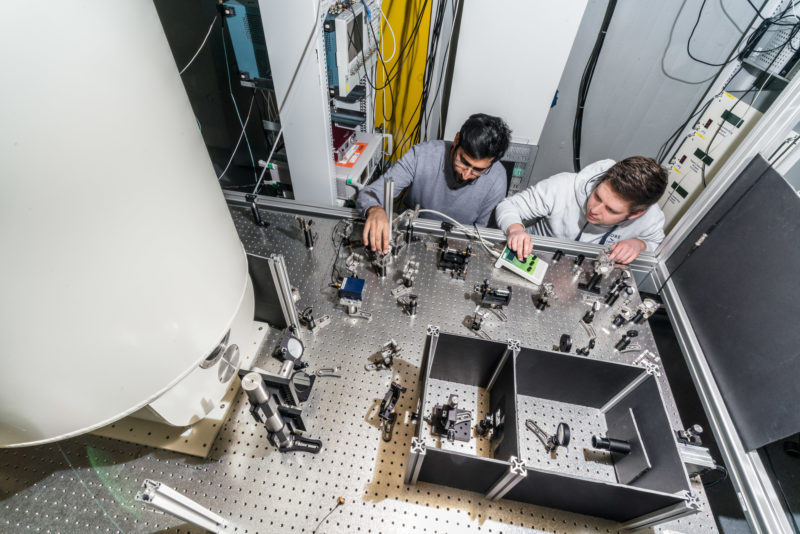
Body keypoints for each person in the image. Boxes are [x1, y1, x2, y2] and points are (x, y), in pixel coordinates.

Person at [357, 113, 512, 253]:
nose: (466, 175)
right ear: (457, 140)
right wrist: (375, 209)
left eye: (477, 170)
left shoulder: (497, 179)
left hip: (457, 247)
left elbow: (483, 236)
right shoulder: (422, 155)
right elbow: (370, 193)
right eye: (463, 162)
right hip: (411, 237)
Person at [495, 157, 668, 264]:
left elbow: (656, 246)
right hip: (532, 257)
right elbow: (509, 205)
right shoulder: (564, 186)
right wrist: (515, 230)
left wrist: (639, 244)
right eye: (597, 196)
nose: (595, 209)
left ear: (636, 214)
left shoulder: (650, 219)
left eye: (610, 209)